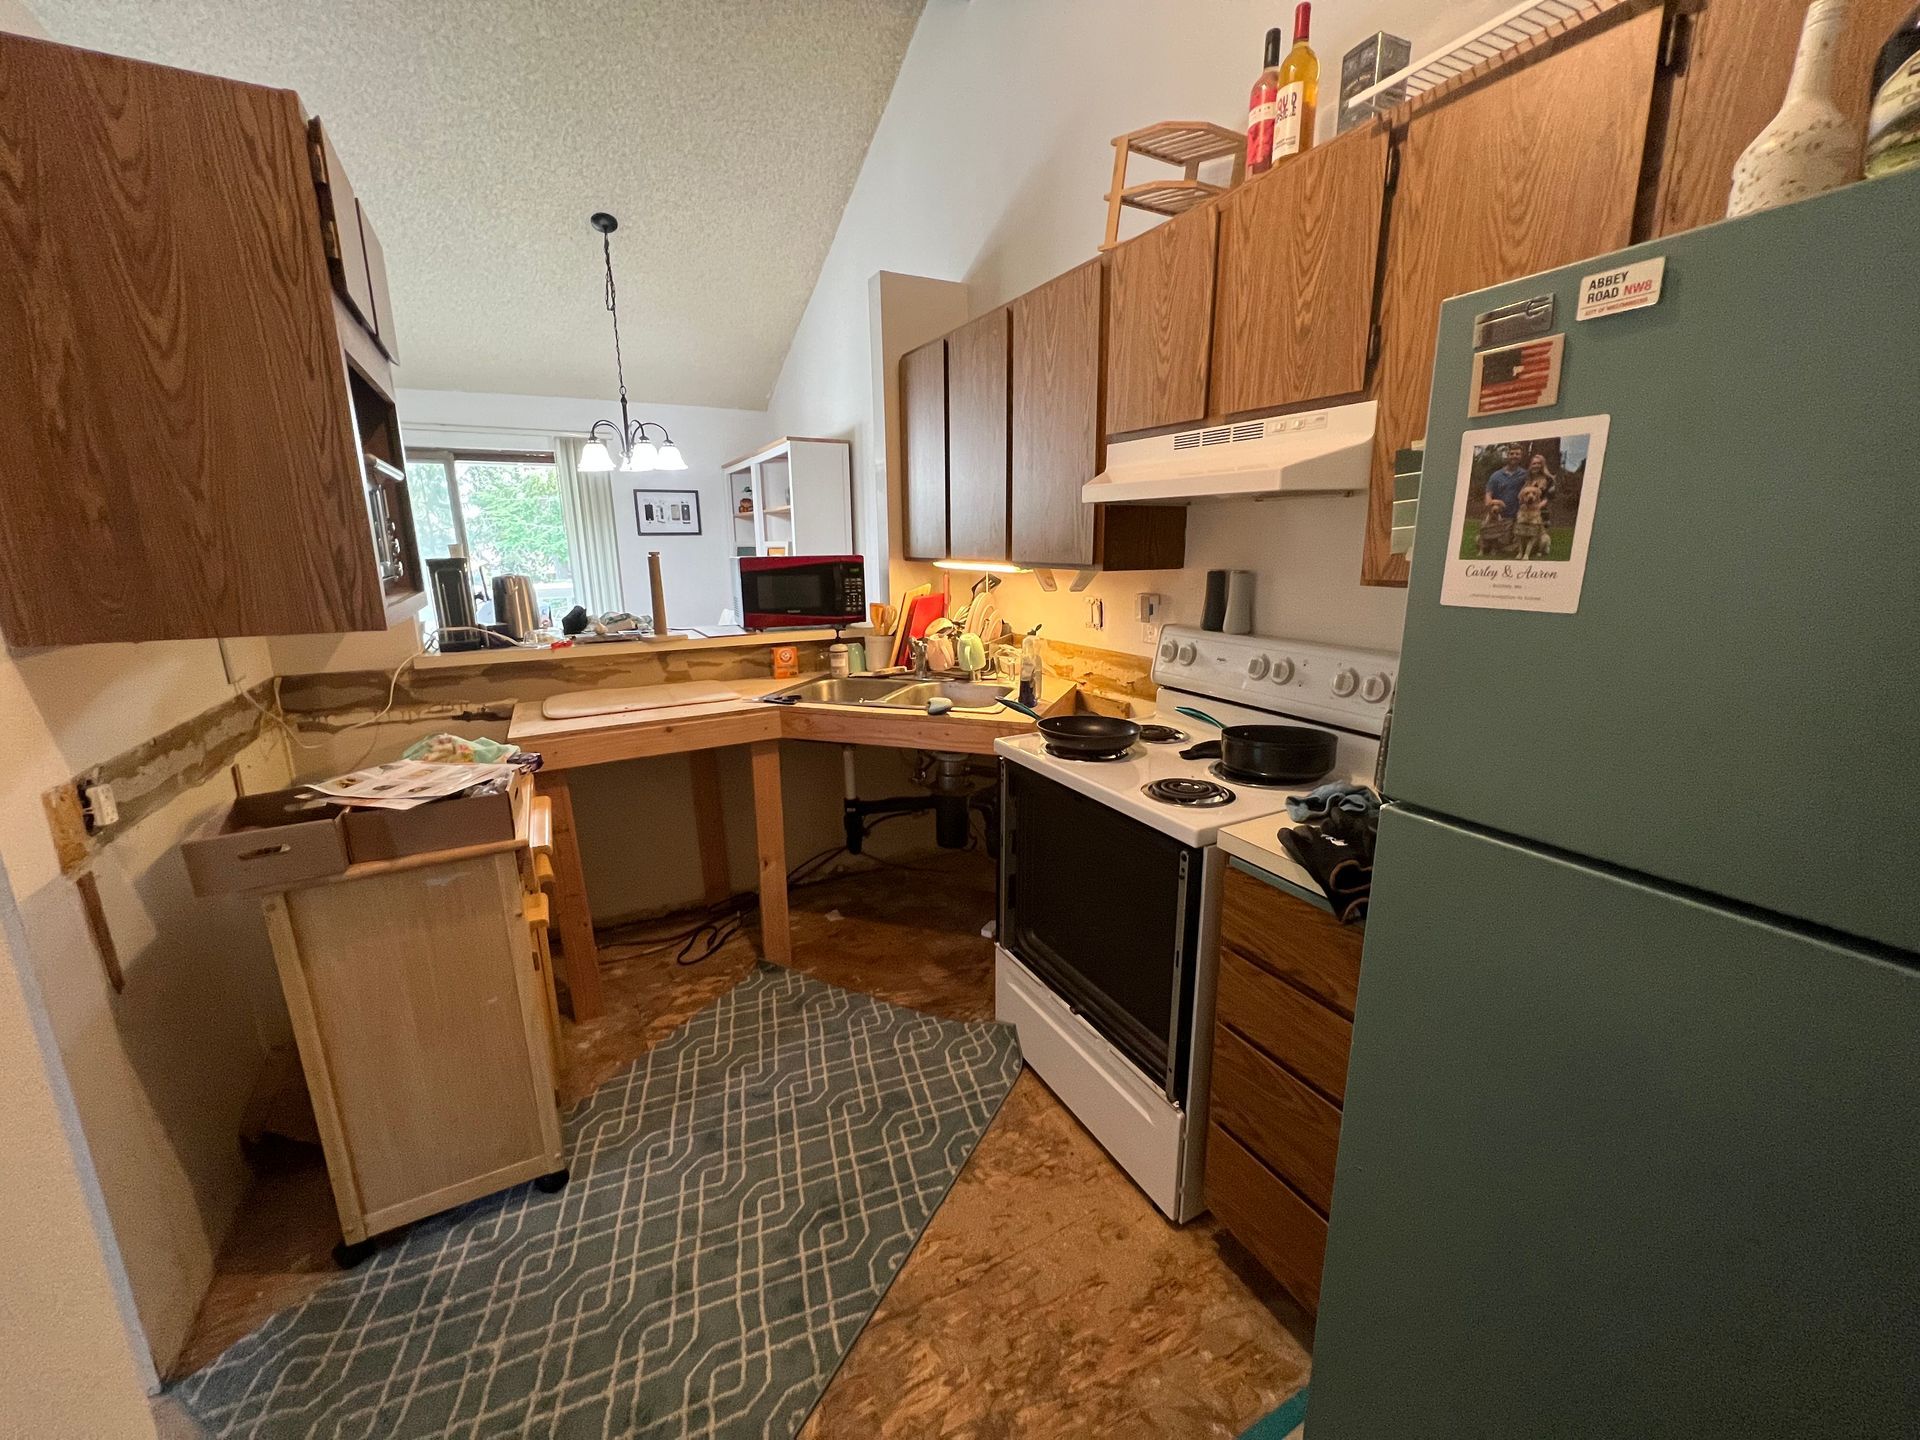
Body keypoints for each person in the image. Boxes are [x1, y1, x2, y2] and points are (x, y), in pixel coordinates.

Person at [1483, 444, 1530, 525]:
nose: (1514, 456)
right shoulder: (1496, 475)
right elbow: (1488, 494)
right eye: (1511, 454)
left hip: (1518, 517)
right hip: (1499, 517)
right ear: (1507, 455)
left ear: (1521, 457)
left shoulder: (1525, 475)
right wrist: (1490, 510)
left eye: (1517, 454)